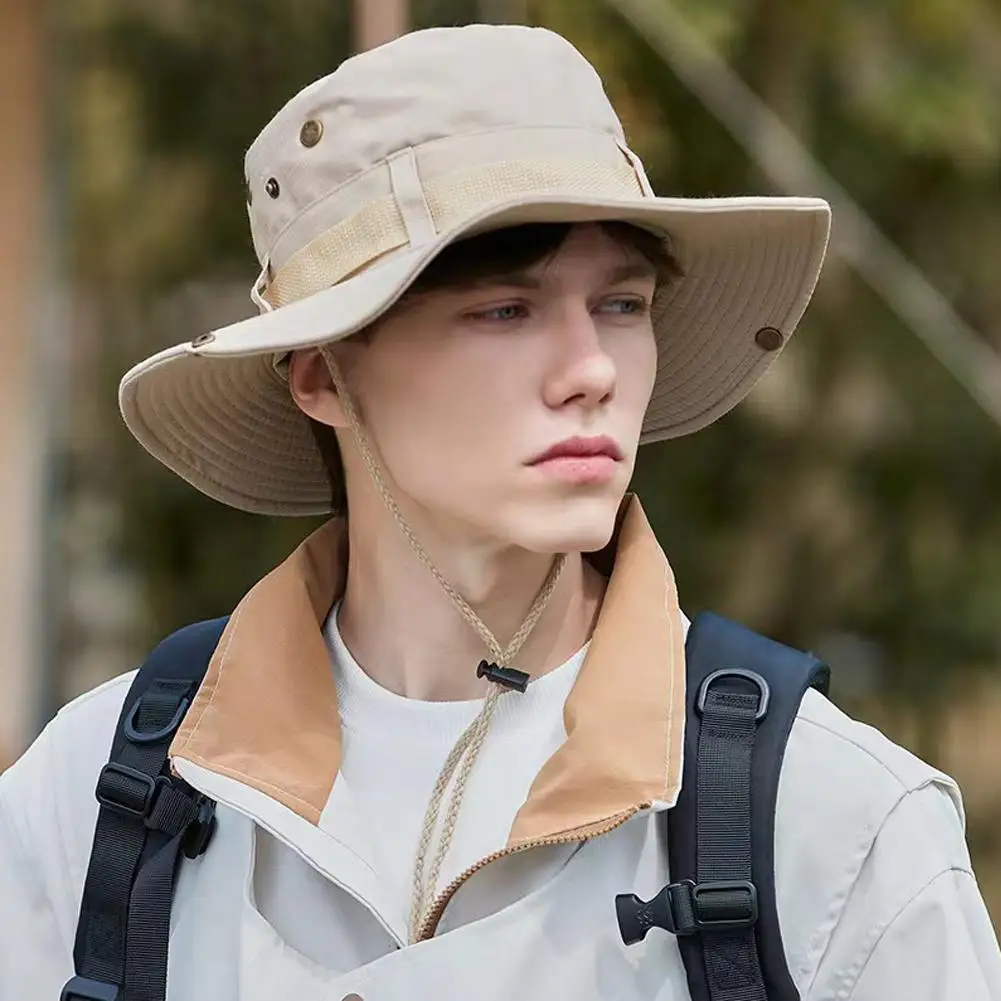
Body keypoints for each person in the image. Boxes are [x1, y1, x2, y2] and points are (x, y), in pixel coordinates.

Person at [2, 22, 999, 1001]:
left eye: (621, 303)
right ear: (319, 374)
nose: (591, 370)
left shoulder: (831, 822)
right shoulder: (100, 795)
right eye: (505, 310)